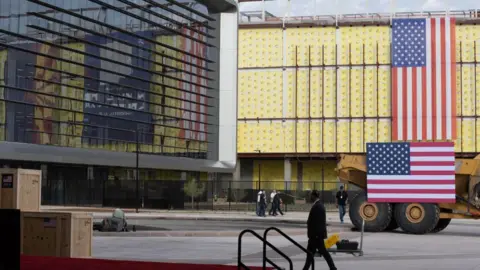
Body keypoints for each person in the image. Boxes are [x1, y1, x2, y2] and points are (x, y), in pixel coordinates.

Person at [302, 190, 337, 270]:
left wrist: (317, 235)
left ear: (314, 196)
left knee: (318, 253)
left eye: (311, 195)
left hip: (316, 236)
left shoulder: (318, 206)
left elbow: (319, 222)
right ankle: (333, 268)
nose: (310, 197)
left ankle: (333, 268)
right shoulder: (317, 205)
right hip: (315, 235)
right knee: (312, 253)